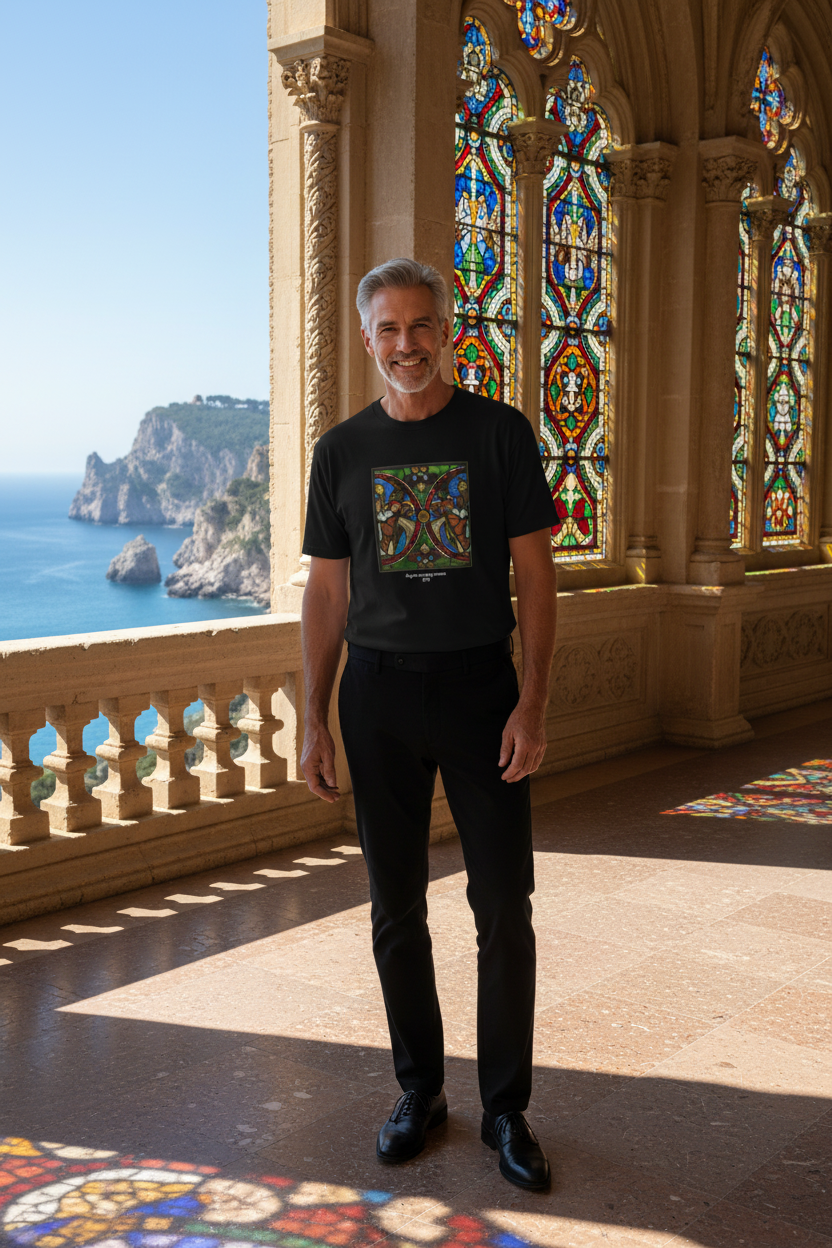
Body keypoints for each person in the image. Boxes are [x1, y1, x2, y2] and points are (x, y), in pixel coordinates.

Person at [299, 257, 558, 1191]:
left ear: (447, 332)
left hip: (481, 692)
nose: (406, 345)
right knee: (394, 908)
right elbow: (328, 592)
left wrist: (531, 704)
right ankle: (421, 1092)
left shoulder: (499, 435)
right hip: (375, 697)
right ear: (368, 339)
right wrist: (313, 718)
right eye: (389, 330)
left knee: (504, 908)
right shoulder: (341, 452)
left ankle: (507, 1108)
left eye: (421, 326)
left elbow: (535, 576)